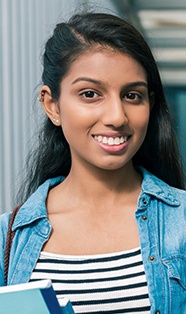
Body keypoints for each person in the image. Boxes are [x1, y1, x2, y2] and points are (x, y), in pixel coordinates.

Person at [0, 11, 185, 314]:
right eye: (90, 94)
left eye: (132, 95)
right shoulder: (8, 239)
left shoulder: (182, 223)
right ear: (52, 105)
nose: (117, 117)